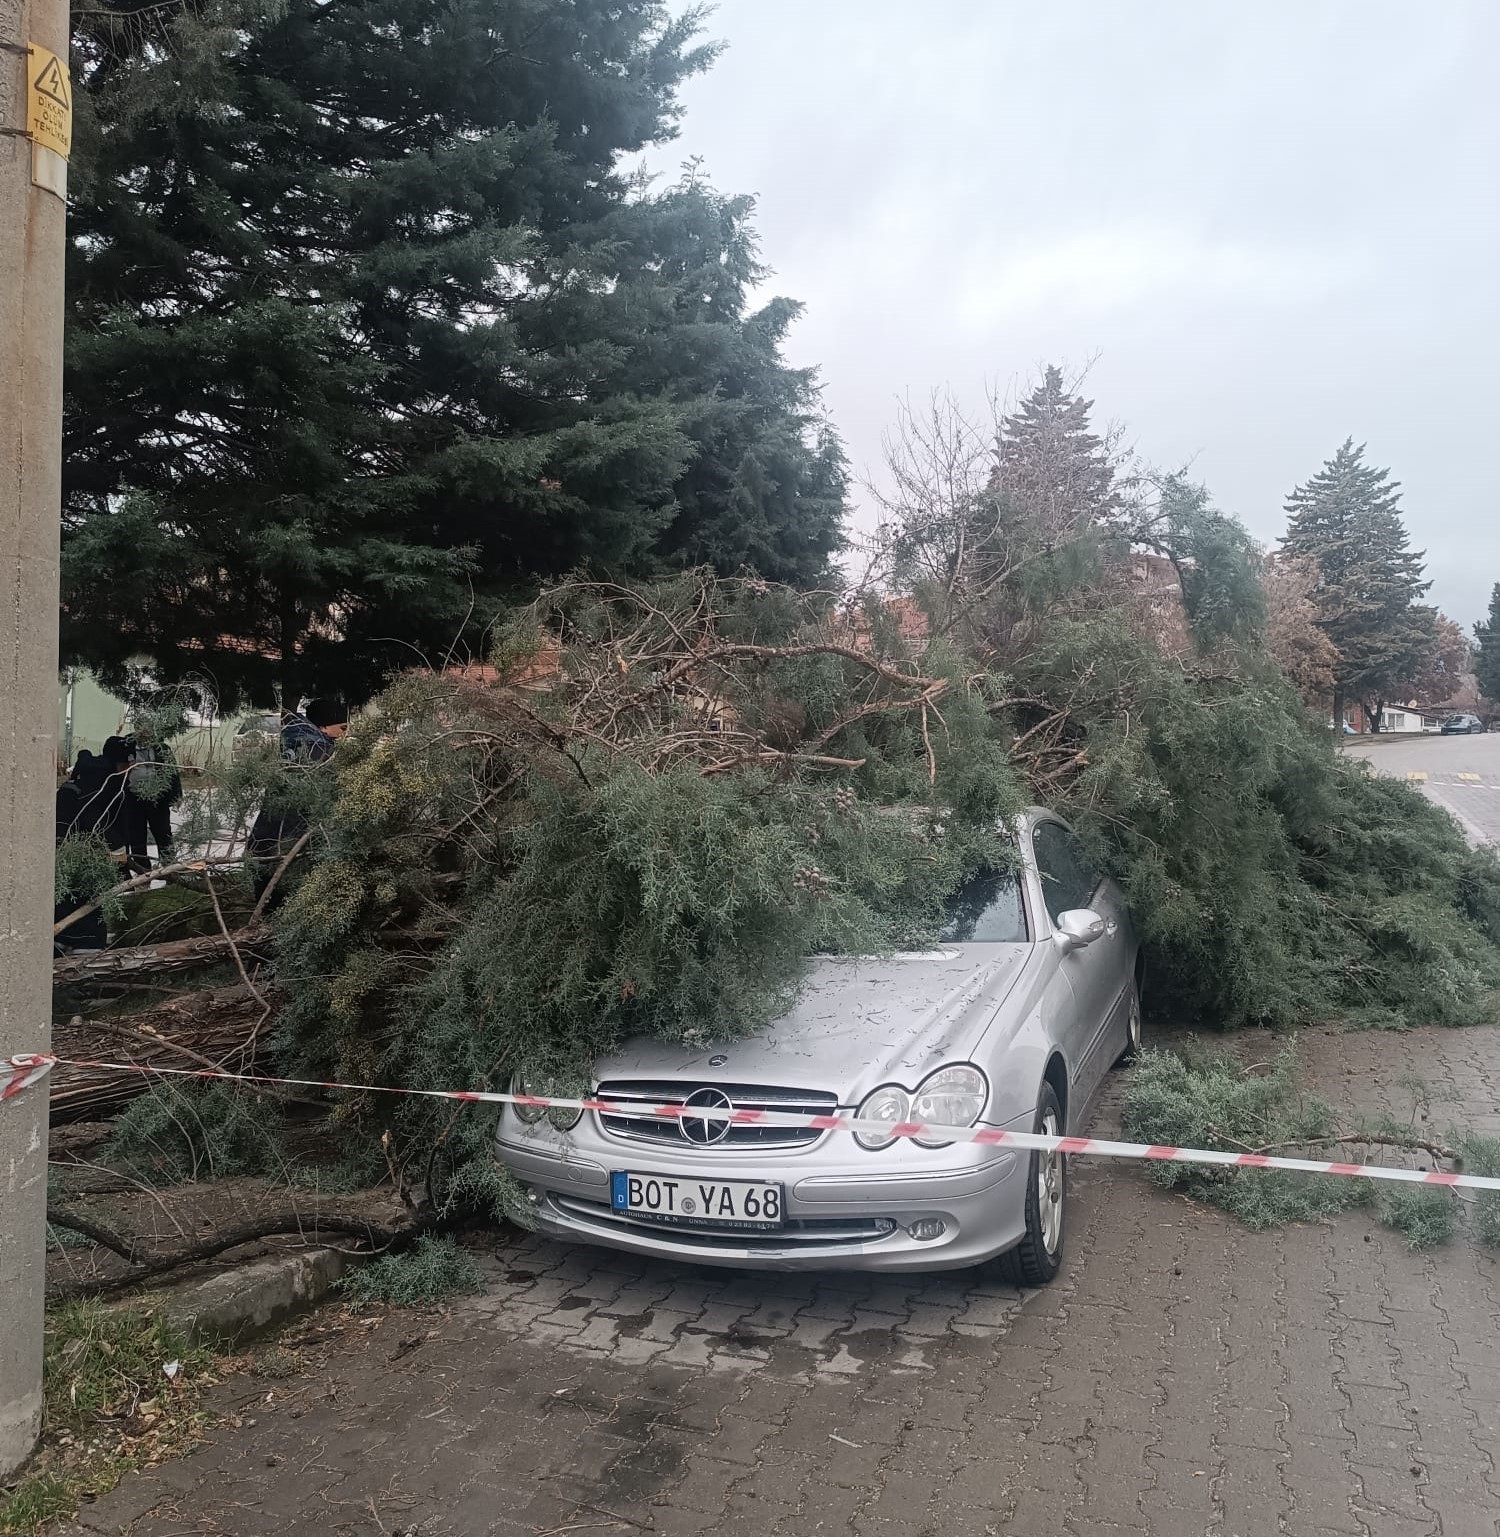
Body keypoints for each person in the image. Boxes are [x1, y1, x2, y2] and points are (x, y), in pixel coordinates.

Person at [126, 728, 184, 868]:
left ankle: (169, 867)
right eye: (143, 729)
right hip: (133, 798)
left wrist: (177, 795)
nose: (147, 734)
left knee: (163, 833)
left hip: (158, 799)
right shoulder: (126, 747)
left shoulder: (162, 748)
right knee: (137, 836)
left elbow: (172, 772)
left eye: (150, 730)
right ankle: (143, 870)